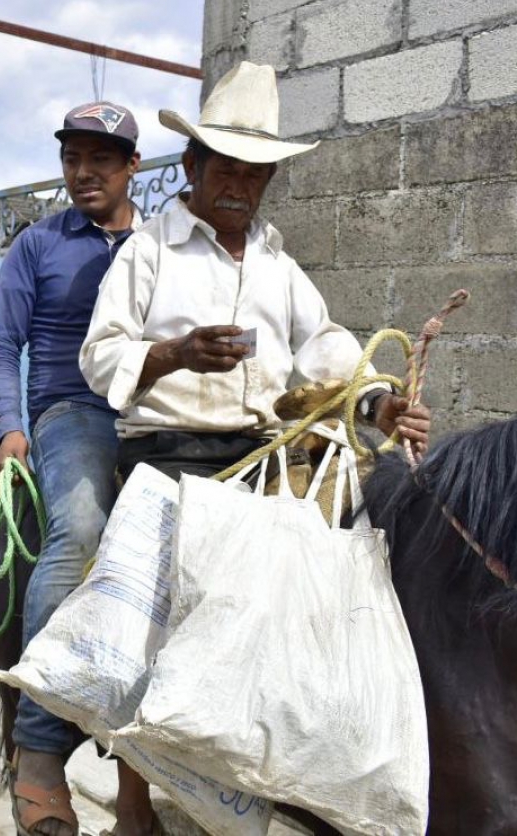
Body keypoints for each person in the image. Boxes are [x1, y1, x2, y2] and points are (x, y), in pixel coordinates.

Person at [80, 62, 432, 836]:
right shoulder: (149, 253)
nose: (239, 184)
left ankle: (242, 792)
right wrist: (176, 356)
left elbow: (327, 352)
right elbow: (100, 356)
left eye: (255, 172)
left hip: (260, 460)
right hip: (166, 456)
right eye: (225, 167)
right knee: (157, 631)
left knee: (291, 619)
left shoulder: (279, 268)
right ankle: (133, 806)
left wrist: (379, 403)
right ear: (193, 168)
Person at [0, 101, 141, 836]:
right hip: (69, 411)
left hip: (152, 414)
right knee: (78, 529)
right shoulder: (38, 245)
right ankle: (40, 744)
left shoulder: (159, 247)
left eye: (99, 160)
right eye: (72, 160)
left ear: (132, 166)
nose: (83, 173)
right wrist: (11, 429)